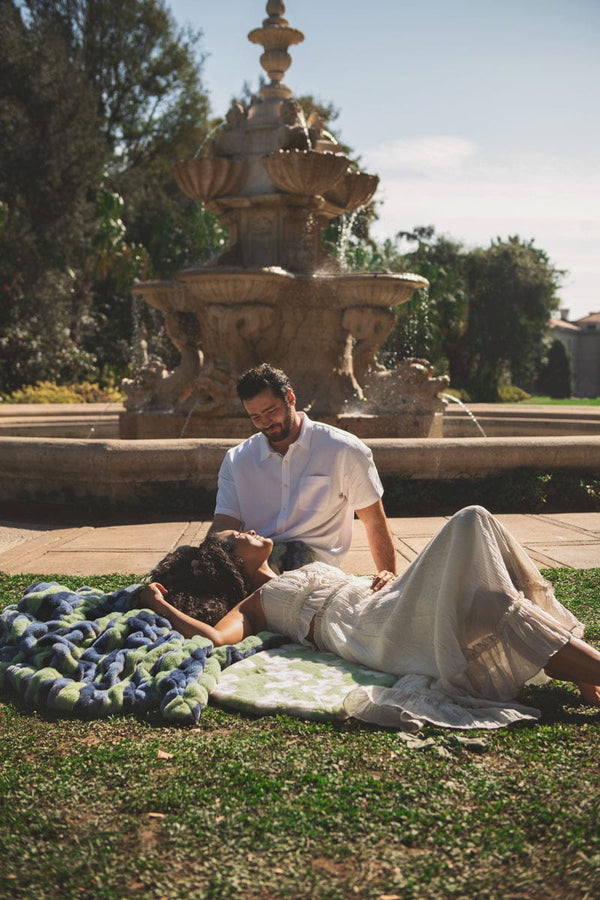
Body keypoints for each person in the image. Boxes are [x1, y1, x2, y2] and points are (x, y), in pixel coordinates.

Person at [140, 506, 600, 731]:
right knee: (470, 524)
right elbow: (216, 639)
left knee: (492, 598)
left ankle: (585, 676)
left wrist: (379, 576)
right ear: (231, 563)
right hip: (375, 632)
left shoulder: (298, 568)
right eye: (239, 535)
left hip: (385, 601)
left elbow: (346, 588)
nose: (250, 529)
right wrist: (160, 604)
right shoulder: (255, 604)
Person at [210, 363, 396, 590]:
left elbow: (374, 520)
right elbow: (222, 527)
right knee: (186, 560)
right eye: (256, 417)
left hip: (314, 571)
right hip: (256, 562)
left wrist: (390, 579)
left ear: (290, 397)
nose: (265, 423)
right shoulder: (237, 459)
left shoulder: (343, 449)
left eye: (270, 411)